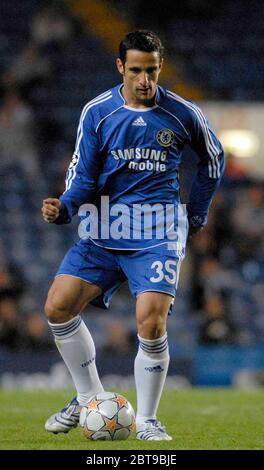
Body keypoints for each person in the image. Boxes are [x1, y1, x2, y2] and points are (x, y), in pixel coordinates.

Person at [42, 30, 224, 440]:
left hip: (158, 231)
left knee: (151, 322)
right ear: (121, 67)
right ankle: (89, 398)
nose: (145, 80)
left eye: (153, 71)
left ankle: (147, 420)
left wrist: (195, 213)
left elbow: (214, 160)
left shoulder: (182, 113)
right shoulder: (97, 112)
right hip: (104, 227)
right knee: (57, 307)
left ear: (160, 68)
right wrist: (65, 207)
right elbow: (83, 176)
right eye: (137, 70)